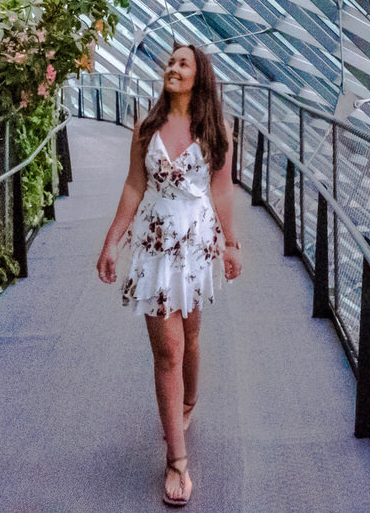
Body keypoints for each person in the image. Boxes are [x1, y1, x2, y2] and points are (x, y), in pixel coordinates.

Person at [96, 44, 242, 508]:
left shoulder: (217, 130)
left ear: (200, 76)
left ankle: (189, 401)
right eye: (170, 62)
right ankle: (176, 458)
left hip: (197, 248)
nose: (172, 68)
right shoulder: (148, 126)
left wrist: (232, 244)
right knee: (168, 350)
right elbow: (134, 184)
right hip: (157, 249)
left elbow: (221, 190)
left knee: (192, 337)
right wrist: (111, 241)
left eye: (183, 63)